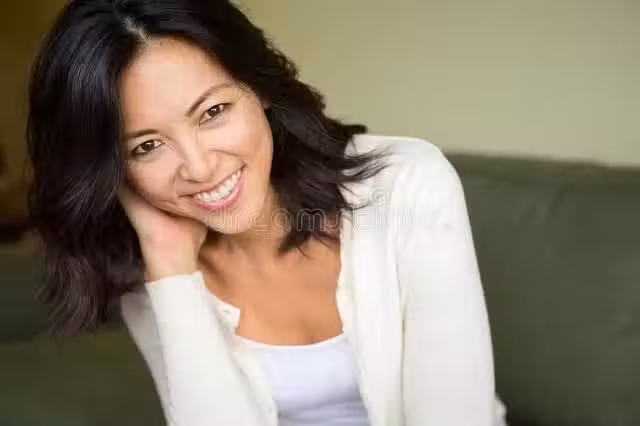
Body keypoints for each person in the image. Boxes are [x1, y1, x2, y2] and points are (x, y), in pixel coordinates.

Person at [27, 0, 507, 425]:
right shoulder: (152, 261)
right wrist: (172, 271)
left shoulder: (407, 184)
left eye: (213, 112)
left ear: (259, 88)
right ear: (114, 171)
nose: (200, 167)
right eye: (147, 146)